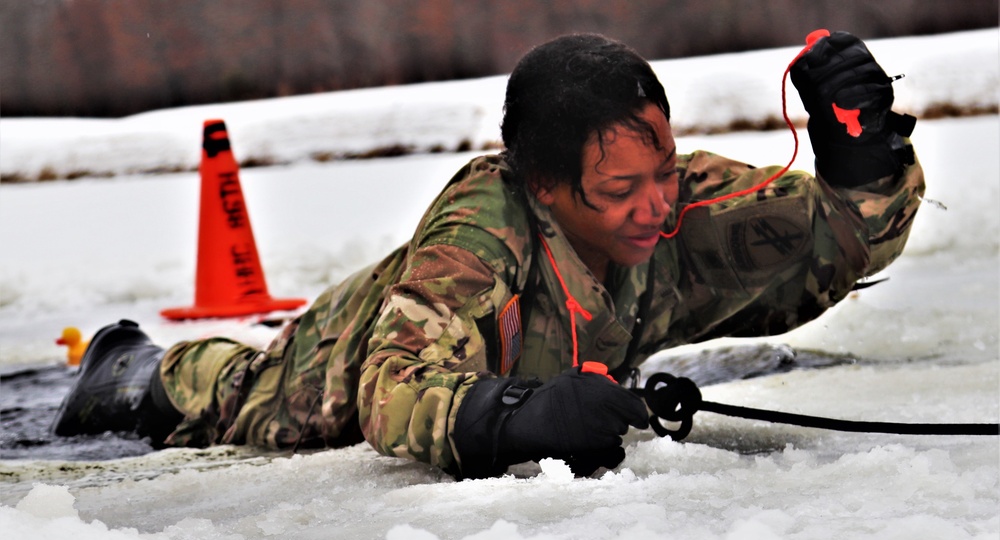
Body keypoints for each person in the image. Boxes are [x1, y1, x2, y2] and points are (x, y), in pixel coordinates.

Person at [52, 31, 924, 479]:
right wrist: (518, 417)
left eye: (661, 169)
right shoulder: (483, 229)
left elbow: (826, 238)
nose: (657, 205)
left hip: (482, 354)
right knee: (226, 385)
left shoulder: (667, 195)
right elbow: (393, 391)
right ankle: (132, 365)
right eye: (620, 190)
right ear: (545, 186)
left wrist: (865, 154)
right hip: (308, 387)